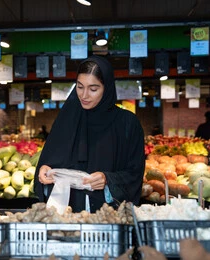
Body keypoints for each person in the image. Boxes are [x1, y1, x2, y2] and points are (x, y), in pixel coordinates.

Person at [35, 55, 145, 213]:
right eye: (80, 87)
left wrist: (108, 179)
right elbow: (49, 162)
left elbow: (135, 173)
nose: (84, 95)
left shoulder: (127, 124)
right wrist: (45, 171)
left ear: (106, 88)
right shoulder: (66, 120)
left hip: (107, 218)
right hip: (64, 215)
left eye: (93, 89)